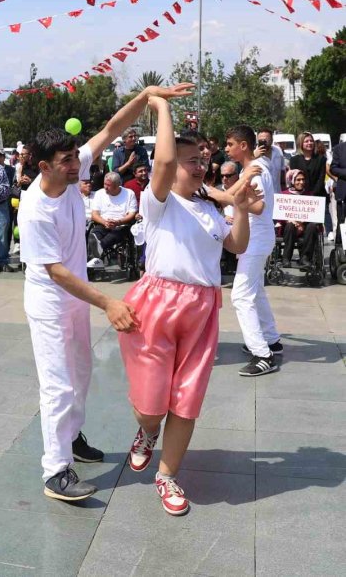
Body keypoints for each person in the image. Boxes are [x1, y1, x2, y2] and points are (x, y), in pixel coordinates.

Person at [17, 81, 193, 502]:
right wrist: (108, 302)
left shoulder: (74, 164)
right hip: (50, 303)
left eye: (74, 156)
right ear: (44, 167)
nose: (76, 164)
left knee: (81, 376)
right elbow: (55, 270)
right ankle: (55, 471)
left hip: (75, 301)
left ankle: (71, 436)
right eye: (65, 161)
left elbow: (113, 128)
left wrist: (147, 96)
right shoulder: (34, 208)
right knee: (57, 384)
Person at [119, 96, 257, 516]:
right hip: (158, 305)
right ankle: (146, 431)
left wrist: (242, 209)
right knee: (150, 405)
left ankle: (167, 476)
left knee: (186, 400)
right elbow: (159, 166)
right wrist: (160, 108)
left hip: (202, 309)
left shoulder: (208, 209)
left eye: (201, 159)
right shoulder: (159, 203)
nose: (198, 166)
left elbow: (236, 244)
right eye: (188, 160)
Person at [225, 125, 282, 377]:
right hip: (256, 237)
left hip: (255, 239)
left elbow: (258, 207)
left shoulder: (255, 172)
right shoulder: (251, 169)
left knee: (240, 296)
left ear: (243, 146)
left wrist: (237, 200)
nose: (226, 149)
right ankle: (271, 339)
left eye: (230, 144)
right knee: (255, 291)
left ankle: (262, 355)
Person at [278, 170, 321, 268]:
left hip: (305, 228)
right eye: (298, 180)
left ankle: (305, 258)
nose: (301, 182)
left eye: (303, 179)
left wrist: (302, 222)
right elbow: (280, 215)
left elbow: (314, 215)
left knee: (313, 226)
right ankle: (286, 258)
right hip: (289, 228)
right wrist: (292, 221)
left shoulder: (309, 195)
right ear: (292, 181)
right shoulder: (284, 195)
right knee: (290, 226)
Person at [90, 172, 138, 255]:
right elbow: (94, 214)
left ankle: (99, 248)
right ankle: (96, 253)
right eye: (104, 184)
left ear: (117, 185)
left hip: (122, 225)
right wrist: (104, 222)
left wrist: (118, 222)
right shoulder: (99, 193)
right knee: (94, 234)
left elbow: (132, 213)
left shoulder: (129, 193)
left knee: (114, 234)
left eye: (108, 185)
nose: (105, 187)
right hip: (103, 223)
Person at [289, 132, 326, 199]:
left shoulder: (321, 159)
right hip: (300, 197)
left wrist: (312, 195)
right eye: (306, 141)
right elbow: (294, 180)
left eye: (311, 141)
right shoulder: (294, 160)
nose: (309, 143)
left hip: (318, 196)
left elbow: (321, 179)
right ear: (301, 143)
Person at [256, 128, 286, 193]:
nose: (263, 142)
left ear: (272, 140)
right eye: (261, 140)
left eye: (266, 140)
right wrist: (254, 157)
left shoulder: (278, 151)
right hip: (262, 197)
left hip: (277, 194)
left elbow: (282, 170)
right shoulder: (252, 155)